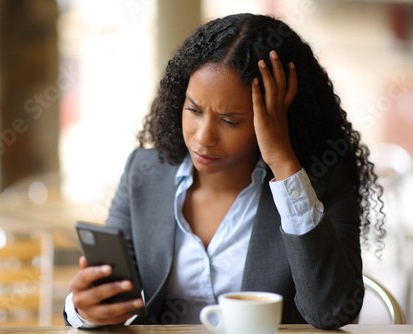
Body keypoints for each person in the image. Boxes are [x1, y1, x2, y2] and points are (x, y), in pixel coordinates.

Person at [64, 13, 385, 330]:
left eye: (230, 120)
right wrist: (86, 310)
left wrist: (284, 163)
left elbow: (331, 311)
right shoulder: (145, 173)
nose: (203, 137)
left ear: (277, 119)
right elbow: (113, 293)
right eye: (193, 109)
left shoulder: (319, 186)